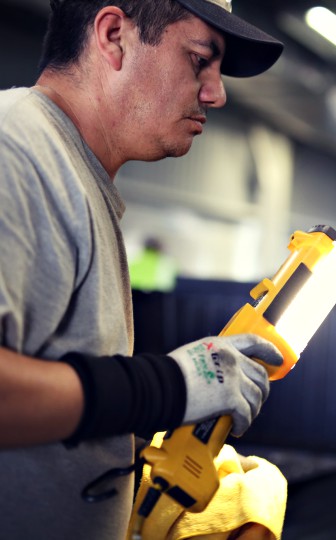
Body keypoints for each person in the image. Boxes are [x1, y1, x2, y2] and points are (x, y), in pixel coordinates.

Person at [0, 0, 285, 538]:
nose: (216, 93)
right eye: (200, 60)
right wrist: (168, 387)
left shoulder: (77, 175)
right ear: (113, 35)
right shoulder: (15, 149)